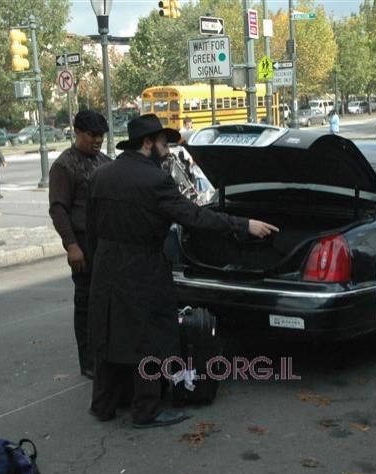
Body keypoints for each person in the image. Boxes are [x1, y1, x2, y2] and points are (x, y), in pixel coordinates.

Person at [86, 114, 278, 428]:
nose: (167, 149)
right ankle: (145, 410)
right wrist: (244, 225)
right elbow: (194, 217)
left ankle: (103, 405)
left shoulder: (100, 175)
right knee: (147, 337)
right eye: (163, 143)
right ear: (147, 143)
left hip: (107, 265)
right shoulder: (155, 180)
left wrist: (99, 261)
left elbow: (91, 228)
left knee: (109, 333)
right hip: (142, 265)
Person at [48, 110, 112, 379]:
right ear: (77, 133)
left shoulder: (105, 161)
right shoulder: (65, 166)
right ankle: (88, 361)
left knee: (107, 302)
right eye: (91, 135)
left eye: (100, 136)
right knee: (86, 303)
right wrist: (71, 245)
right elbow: (58, 209)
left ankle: (107, 355)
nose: (96, 140)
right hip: (83, 243)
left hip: (106, 242)